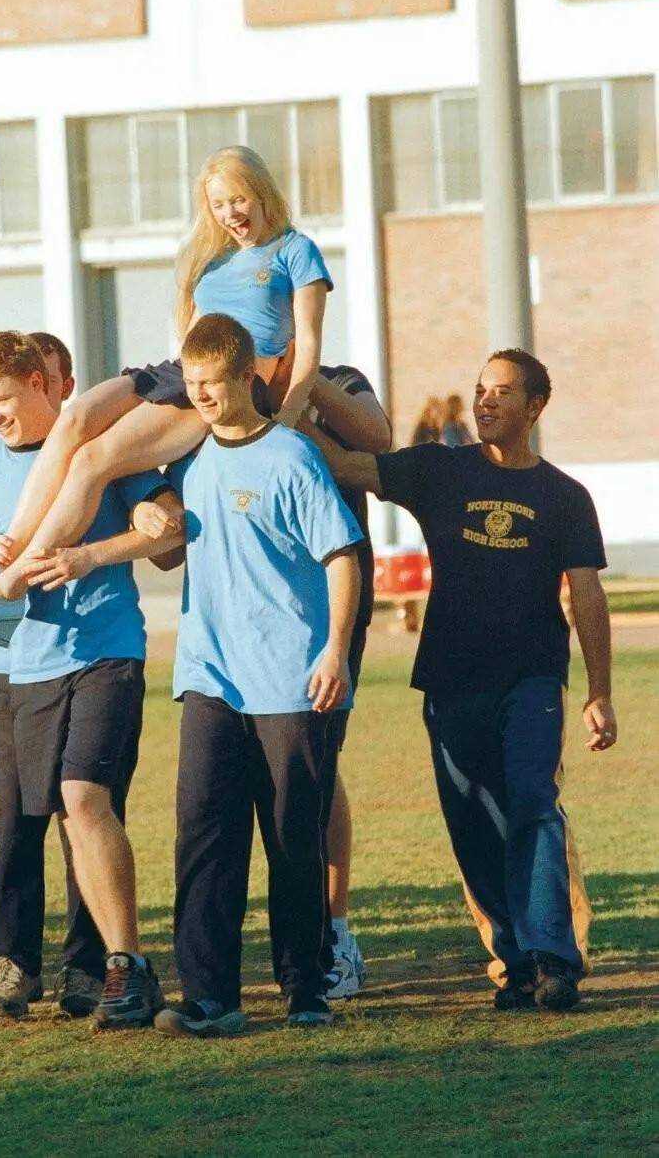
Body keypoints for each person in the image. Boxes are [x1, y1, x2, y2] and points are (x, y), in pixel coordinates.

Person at [303, 349, 617, 1012]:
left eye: (503, 392)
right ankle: (514, 960)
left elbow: (587, 596)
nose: (486, 401)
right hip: (449, 679)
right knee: (472, 820)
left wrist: (599, 692)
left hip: (531, 680)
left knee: (533, 804)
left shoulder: (564, 497)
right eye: (480, 389)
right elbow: (344, 465)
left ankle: (554, 958)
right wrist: (281, 408)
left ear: (535, 407)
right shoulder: (439, 471)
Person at [0, 145, 334, 641]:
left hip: (229, 380)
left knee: (92, 462)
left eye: (239, 199)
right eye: (217, 205)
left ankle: (9, 586)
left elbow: (310, 346)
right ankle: (5, 553)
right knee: (75, 419)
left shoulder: (296, 251)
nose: (230, 213)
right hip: (180, 369)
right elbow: (189, 329)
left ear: (260, 193)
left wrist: (287, 418)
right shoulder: (210, 259)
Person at [0, 331, 183, 1024]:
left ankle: (95, 966)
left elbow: (167, 533)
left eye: (3, 399)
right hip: (12, 671)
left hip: (102, 654)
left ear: (42, 384)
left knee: (86, 803)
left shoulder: (99, 450)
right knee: (13, 823)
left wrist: (100, 550)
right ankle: (14, 965)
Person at [152, 314, 363, 1038]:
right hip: (210, 676)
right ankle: (211, 995)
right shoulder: (190, 460)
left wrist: (334, 649)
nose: (202, 397)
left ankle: (305, 987)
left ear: (247, 378)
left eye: (213, 383)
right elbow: (171, 553)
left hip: (288, 679)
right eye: (192, 385)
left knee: (290, 836)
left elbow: (341, 556)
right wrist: (157, 526)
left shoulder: (293, 458)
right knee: (202, 835)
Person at [305, 364, 392, 998]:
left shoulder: (338, 378)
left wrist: (301, 381)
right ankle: (290, 933)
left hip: (333, 601)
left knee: (318, 761)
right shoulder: (218, 381)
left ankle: (333, 931)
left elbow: (378, 437)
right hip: (246, 603)